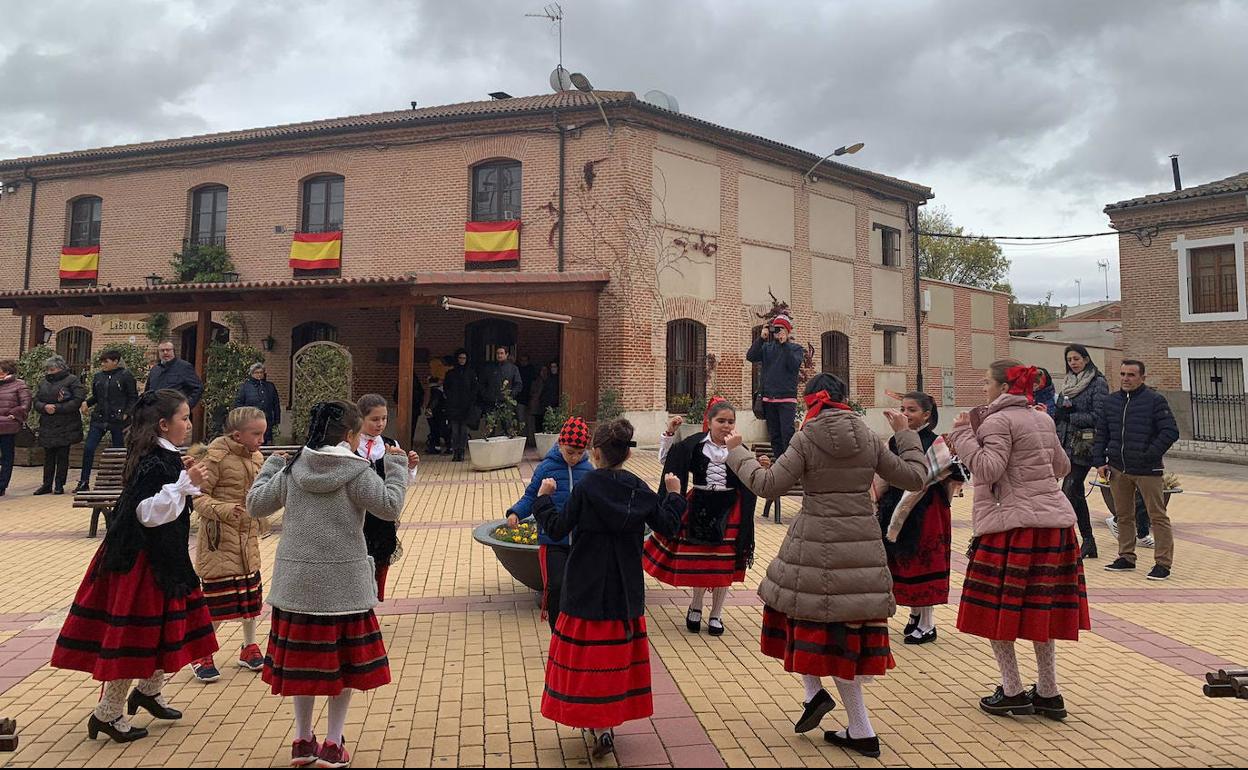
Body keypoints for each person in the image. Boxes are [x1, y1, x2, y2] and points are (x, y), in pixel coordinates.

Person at [722, 373, 925, 757]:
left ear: (811, 401)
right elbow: (914, 477)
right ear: (843, 398)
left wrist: (738, 452)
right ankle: (817, 698)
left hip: (814, 544)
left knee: (809, 623)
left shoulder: (808, 436)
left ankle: (858, 726)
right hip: (861, 546)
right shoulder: (867, 436)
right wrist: (905, 434)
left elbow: (768, 485)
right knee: (840, 634)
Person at [246, 401, 417, 768]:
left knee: (303, 669)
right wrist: (398, 466)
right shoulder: (356, 470)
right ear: (351, 435)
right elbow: (389, 506)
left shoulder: (294, 468)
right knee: (344, 667)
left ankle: (302, 740)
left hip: (296, 586)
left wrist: (272, 465)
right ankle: (333, 743)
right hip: (343, 587)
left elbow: (256, 505)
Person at [50, 389, 218, 744]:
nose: (189, 424)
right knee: (135, 637)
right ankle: (107, 714)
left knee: (166, 628)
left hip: (165, 557)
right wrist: (184, 486)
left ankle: (149, 692)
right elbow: (145, 512)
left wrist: (184, 481)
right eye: (184, 418)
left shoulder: (166, 456)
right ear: (163, 424)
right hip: (140, 560)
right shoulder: (154, 461)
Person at [533, 419, 686, 758]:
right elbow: (669, 526)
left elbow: (557, 529)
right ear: (627, 455)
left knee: (588, 657)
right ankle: (606, 724)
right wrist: (674, 494)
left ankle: (596, 722)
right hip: (623, 587)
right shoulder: (638, 487)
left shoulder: (586, 488)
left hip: (585, 585)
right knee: (614, 657)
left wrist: (543, 500)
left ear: (596, 453)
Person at [949, 360, 1091, 721]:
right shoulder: (1042, 418)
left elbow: (988, 469)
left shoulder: (997, 421)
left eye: (986, 382)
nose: (984, 388)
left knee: (1001, 611)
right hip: (1054, 525)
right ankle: (1048, 692)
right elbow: (1061, 468)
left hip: (1012, 526)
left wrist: (963, 436)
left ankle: (1011, 690)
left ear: (1001, 387)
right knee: (1040, 611)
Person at [643, 398, 757, 638]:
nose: (726, 426)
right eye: (721, 421)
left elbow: (751, 474)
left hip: (729, 509)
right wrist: (669, 434)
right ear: (709, 422)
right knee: (702, 561)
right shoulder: (695, 445)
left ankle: (716, 613)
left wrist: (758, 464)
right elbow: (669, 460)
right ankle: (695, 606)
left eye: (731, 421)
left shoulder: (739, 448)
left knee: (723, 564)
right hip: (700, 506)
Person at [876, 391, 965, 646]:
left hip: (928, 511)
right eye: (903, 409)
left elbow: (952, 479)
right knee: (904, 560)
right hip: (898, 507)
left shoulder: (937, 443)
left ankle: (928, 623)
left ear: (927, 414)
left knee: (924, 561)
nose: (905, 414)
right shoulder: (894, 441)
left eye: (912, 410)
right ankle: (914, 616)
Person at [189, 407, 267, 683]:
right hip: (219, 537)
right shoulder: (215, 458)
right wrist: (223, 509)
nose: (261, 439)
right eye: (256, 434)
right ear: (237, 434)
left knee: (249, 595)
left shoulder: (257, 457)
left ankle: (249, 646)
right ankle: (202, 650)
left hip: (248, 535)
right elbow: (197, 497)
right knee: (217, 598)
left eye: (263, 433)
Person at [505, 416, 594, 631]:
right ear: (560, 444)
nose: (574, 457)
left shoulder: (589, 470)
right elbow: (531, 497)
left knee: (581, 586)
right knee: (556, 585)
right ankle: (558, 631)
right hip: (553, 539)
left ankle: (578, 629)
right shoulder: (546, 468)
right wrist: (516, 512)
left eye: (579, 453)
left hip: (582, 541)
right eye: (570, 452)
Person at [1094, 360, 1180, 581]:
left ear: (1142, 377)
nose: (1125, 378)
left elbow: (1170, 431)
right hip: (1118, 467)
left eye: (1131, 375)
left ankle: (1162, 563)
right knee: (1123, 515)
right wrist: (1100, 461)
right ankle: (1126, 557)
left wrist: (1149, 454)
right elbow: (1101, 433)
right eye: (1122, 374)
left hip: (1147, 470)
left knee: (1157, 516)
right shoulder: (1111, 402)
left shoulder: (1154, 401)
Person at [357, 394, 419, 602]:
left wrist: (408, 467)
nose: (380, 424)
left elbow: (400, 485)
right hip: (358, 517)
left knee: (381, 559)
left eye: (384, 418)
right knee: (358, 564)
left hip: (382, 516)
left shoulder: (390, 444)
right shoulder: (349, 446)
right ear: (361, 419)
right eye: (375, 419)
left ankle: (373, 603)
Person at [1053, 345, 1109, 559]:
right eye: (1069, 359)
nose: (1073, 363)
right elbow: (1059, 413)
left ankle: (1080, 540)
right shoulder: (1067, 383)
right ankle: (1086, 541)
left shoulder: (1097, 383)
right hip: (1065, 443)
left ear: (1086, 359)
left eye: (1077, 358)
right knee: (1072, 493)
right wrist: (1059, 414)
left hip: (1084, 446)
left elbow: (1099, 416)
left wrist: (1073, 416)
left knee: (1071, 489)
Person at [76, 350, 139, 493]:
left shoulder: (125, 376)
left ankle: (120, 480)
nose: (103, 364)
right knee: (89, 448)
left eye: (106, 361)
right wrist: (86, 402)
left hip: (117, 419)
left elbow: (133, 397)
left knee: (119, 451)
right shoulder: (98, 376)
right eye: (102, 361)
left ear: (115, 361)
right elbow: (97, 397)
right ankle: (84, 481)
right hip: (99, 418)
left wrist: (127, 413)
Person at [746, 312, 805, 458]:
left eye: (781, 329)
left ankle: (791, 464)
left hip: (786, 400)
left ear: (787, 331)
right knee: (775, 437)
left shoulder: (795, 349)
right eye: (775, 328)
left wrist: (785, 344)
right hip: (768, 400)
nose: (777, 332)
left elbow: (794, 365)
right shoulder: (767, 348)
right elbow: (751, 356)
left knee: (788, 435)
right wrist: (762, 338)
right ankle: (779, 465)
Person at [33, 355, 87, 496]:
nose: (50, 371)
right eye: (48, 369)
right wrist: (44, 407)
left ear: (61, 368)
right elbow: (36, 400)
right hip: (47, 424)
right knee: (48, 456)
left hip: (66, 424)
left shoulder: (72, 380)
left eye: (53, 368)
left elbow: (77, 399)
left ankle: (59, 484)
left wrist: (58, 408)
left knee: (62, 456)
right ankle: (46, 484)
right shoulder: (43, 382)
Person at [0, 360, 33, 497]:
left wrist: (15, 414)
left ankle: (1, 485)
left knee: (7, 457)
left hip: (8, 426)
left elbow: (26, 404)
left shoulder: (19, 385)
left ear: (6, 371)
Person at [443, 350, 479, 463]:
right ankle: (455, 452)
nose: (462, 360)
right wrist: (450, 399)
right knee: (454, 431)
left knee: (463, 431)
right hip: (454, 406)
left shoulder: (471, 373)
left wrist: (471, 401)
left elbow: (474, 388)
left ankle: (462, 452)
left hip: (466, 407)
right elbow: (446, 388)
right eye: (460, 358)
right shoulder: (450, 374)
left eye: (464, 358)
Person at [145, 342, 203, 409]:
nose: (165, 352)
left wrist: (187, 405)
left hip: (175, 412)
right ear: (158, 353)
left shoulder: (184, 367)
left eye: (168, 350)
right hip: (155, 411)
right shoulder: (155, 369)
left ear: (173, 351)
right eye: (162, 350)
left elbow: (198, 388)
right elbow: (148, 390)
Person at [233, 363, 281, 444]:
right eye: (256, 373)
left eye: (261, 372)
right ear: (252, 374)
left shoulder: (270, 386)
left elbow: (276, 404)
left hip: (267, 420)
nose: (259, 375)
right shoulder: (245, 387)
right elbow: (238, 403)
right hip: (251, 420)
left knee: (266, 441)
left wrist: (277, 419)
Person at [425, 376, 448, 454]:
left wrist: (429, 409)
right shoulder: (440, 390)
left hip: (435, 414)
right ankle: (439, 447)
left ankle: (436, 447)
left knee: (435, 430)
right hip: (440, 413)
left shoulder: (434, 390)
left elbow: (434, 401)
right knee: (438, 430)